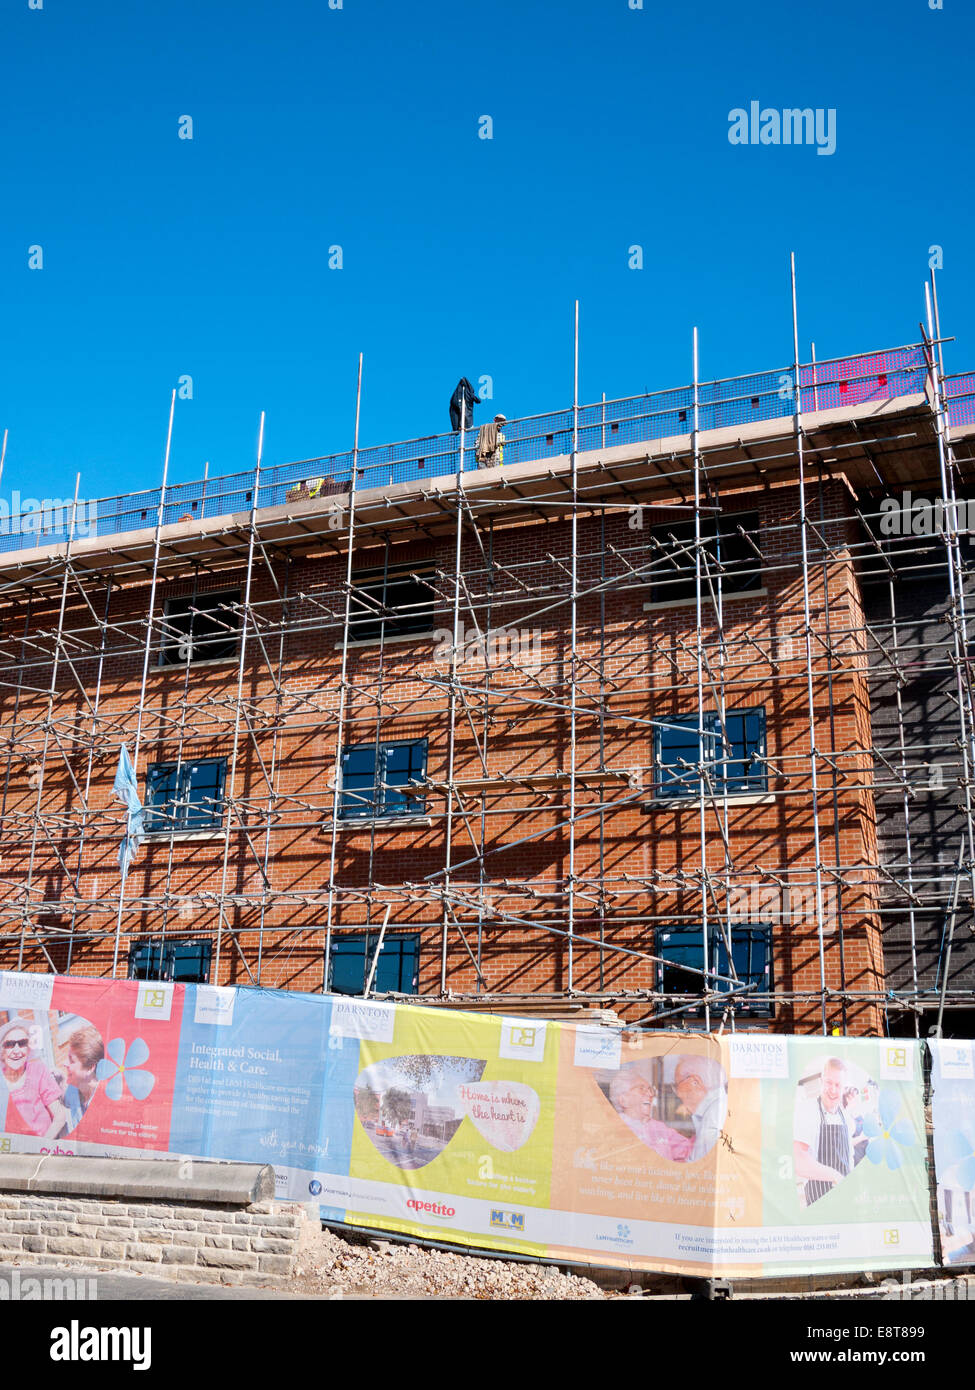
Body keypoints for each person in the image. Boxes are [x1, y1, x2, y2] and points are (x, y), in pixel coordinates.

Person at [794, 1057, 854, 1206]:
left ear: (844, 1087)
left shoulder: (846, 1118)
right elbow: (799, 1160)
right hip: (818, 1199)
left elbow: (849, 1159)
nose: (833, 1090)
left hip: (845, 1199)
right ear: (821, 1081)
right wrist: (834, 1176)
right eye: (828, 1083)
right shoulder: (808, 1110)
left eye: (838, 1085)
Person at [0, 1015, 70, 1140]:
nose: (17, 1050)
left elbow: (60, 1114)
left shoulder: (37, 1070)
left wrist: (42, 1144)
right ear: (2, 1052)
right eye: (10, 1044)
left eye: (22, 1043)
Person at [608, 1069, 693, 1161]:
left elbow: (689, 1149)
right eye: (641, 1089)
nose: (650, 1094)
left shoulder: (660, 1128)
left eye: (650, 1090)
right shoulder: (614, 1130)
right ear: (623, 1100)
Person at [672, 1055, 728, 1161]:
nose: (677, 1094)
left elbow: (700, 1167)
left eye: (676, 1085)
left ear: (695, 1082)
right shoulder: (717, 1108)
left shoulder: (714, 1116)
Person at [60, 1025, 105, 1132]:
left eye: (71, 1060)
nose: (64, 1063)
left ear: (90, 1068)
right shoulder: (73, 1089)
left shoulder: (105, 1105)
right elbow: (64, 1099)